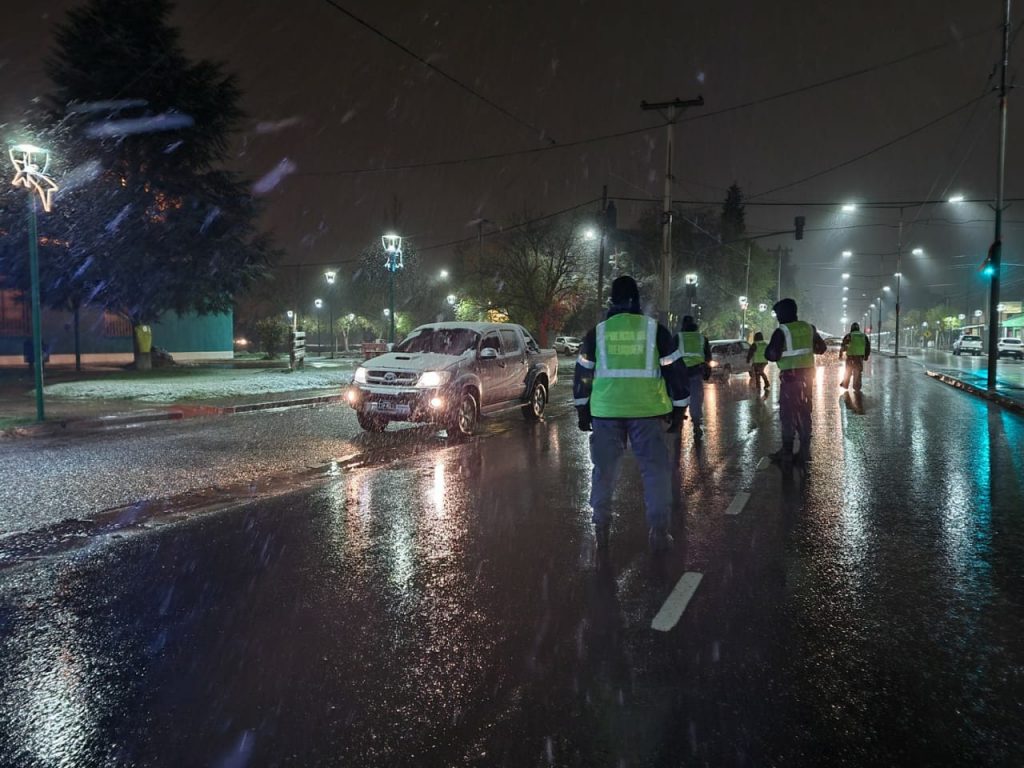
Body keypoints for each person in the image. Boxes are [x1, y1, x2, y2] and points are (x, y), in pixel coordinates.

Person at [574, 276, 690, 552]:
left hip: (605, 413)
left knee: (604, 471)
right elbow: (676, 374)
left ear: (611, 301)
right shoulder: (655, 331)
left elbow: (583, 375)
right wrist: (679, 409)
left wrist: (582, 409)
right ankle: (659, 531)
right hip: (647, 412)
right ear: (637, 300)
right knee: (655, 471)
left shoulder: (597, 333)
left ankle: (601, 528)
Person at [763, 298, 827, 463]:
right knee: (804, 412)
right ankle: (805, 451)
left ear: (783, 313)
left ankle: (787, 452)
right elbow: (821, 349)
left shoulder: (782, 331)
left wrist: (771, 350)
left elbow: (772, 355)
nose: (777, 318)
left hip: (790, 379)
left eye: (778, 314)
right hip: (807, 379)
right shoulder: (809, 328)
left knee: (788, 415)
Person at [676, 315, 711, 441]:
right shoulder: (702, 338)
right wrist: (706, 371)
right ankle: (696, 425)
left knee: (679, 399)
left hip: (680, 374)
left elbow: (671, 355)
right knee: (696, 400)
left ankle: (678, 422)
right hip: (696, 373)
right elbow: (708, 357)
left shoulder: (678, 337)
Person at [839, 322, 870, 391]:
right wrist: (866, 355)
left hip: (850, 356)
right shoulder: (863, 336)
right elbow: (867, 346)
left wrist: (841, 354)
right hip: (859, 357)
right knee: (858, 372)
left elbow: (843, 345)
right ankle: (857, 386)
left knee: (848, 370)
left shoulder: (849, 335)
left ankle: (845, 384)